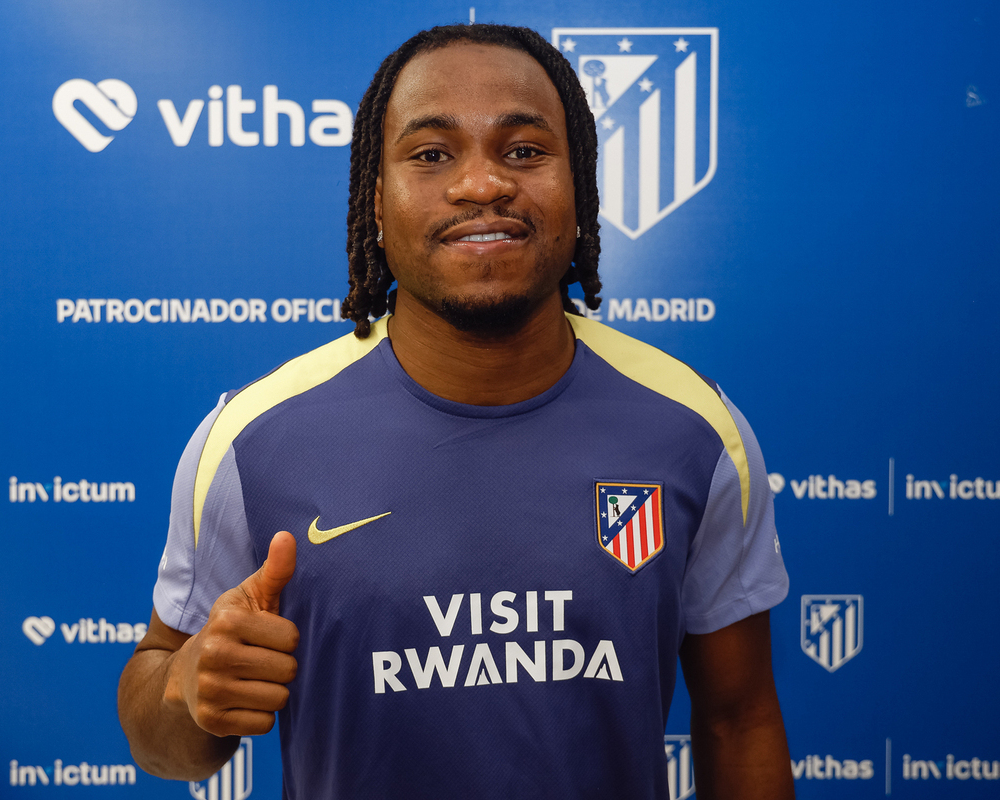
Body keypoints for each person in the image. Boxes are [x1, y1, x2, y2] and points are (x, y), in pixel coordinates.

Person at [118, 23, 795, 800]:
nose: (482, 184)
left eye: (524, 151)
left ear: (580, 188)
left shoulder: (693, 430)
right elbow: (159, 730)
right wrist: (190, 692)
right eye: (432, 154)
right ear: (377, 200)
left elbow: (738, 720)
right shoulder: (254, 441)